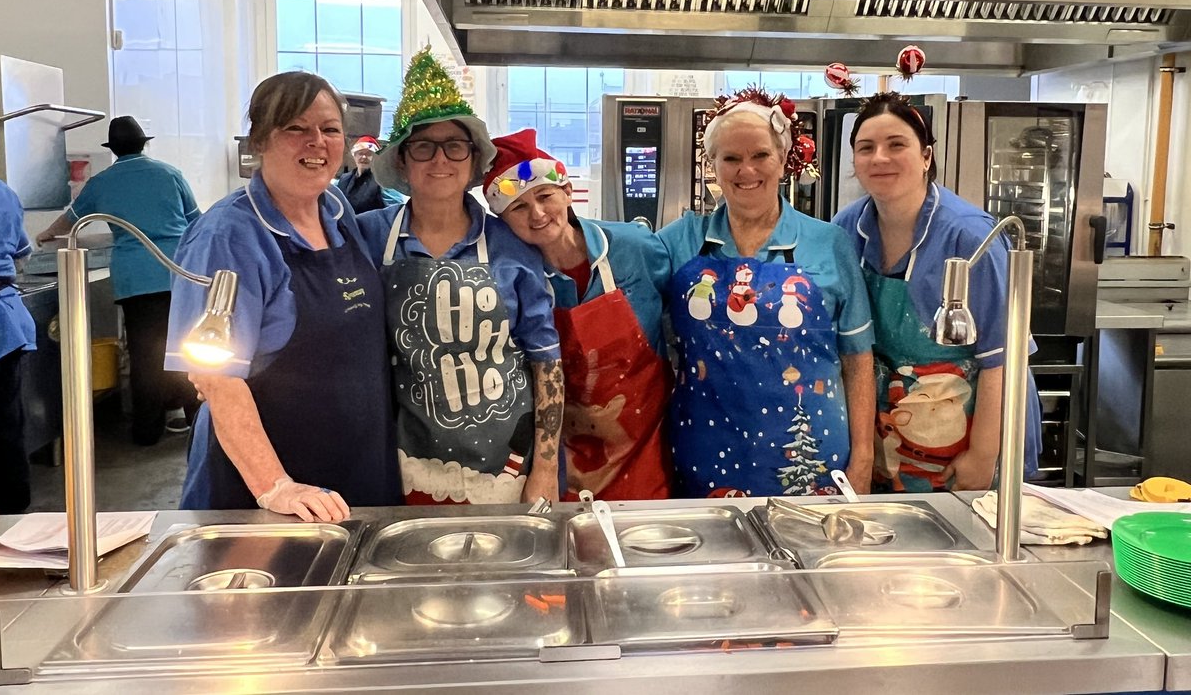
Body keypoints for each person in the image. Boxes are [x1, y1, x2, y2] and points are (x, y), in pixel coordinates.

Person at [166, 71, 400, 520]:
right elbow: (215, 376)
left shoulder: (337, 212)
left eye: (330, 129)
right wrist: (275, 486)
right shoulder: (228, 235)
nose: (317, 142)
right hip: (269, 496)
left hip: (358, 469)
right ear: (259, 139)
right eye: (296, 127)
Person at [358, 47, 562, 506]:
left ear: (472, 160)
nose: (440, 160)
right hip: (405, 462)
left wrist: (546, 470)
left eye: (455, 146)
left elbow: (546, 361)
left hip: (509, 467)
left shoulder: (511, 245)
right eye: (423, 146)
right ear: (402, 161)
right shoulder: (368, 237)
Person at [657, 87, 876, 497]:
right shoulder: (678, 242)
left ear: (783, 158)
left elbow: (858, 358)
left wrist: (863, 460)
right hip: (705, 461)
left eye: (760, 155)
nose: (747, 170)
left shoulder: (830, 243)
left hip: (812, 460)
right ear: (712, 164)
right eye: (731, 158)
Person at [832, 91, 1042, 492]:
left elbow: (1004, 359)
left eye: (897, 145)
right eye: (866, 148)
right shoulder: (846, 228)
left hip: (973, 430)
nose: (879, 158)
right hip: (894, 435)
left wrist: (983, 456)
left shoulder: (971, 236)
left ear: (926, 156)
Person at [484, 128, 673, 501]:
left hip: (645, 452)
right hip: (561, 460)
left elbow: (678, 324)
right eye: (519, 207)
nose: (537, 214)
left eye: (545, 196)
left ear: (567, 192)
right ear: (503, 220)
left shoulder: (636, 247)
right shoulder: (509, 279)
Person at [36, 116, 201, 445]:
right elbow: (196, 221)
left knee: (144, 355)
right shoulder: (170, 174)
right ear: (144, 144)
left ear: (113, 150)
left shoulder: (102, 183)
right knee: (187, 350)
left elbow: (69, 222)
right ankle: (198, 425)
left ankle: (147, 431)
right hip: (178, 272)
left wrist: (45, 235)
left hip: (135, 280)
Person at [0, 176, 36, 514]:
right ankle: (13, 501)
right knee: (7, 415)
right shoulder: (2, 191)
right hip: (5, 317)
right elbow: (22, 251)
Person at [335, 135, 406, 213]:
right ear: (354, 156)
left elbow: (396, 212)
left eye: (369, 153)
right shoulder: (344, 179)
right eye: (360, 153)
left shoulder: (383, 181)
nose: (364, 157)